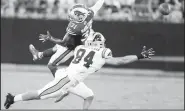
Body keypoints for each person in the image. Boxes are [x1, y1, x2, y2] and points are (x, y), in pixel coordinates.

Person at [4, 32, 155, 110]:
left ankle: (61, 86)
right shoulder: (103, 52)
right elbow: (120, 61)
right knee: (39, 95)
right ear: (100, 43)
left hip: (70, 77)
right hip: (66, 80)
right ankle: (13, 98)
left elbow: (68, 47)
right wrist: (140, 56)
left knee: (89, 96)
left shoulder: (80, 48)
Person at [29, 0, 111, 77]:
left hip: (73, 47)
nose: (71, 16)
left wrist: (50, 38)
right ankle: (38, 55)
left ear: (80, 16)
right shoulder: (88, 14)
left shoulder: (75, 27)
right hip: (85, 41)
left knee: (51, 65)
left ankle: (60, 84)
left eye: (74, 15)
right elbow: (96, 6)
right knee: (56, 48)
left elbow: (64, 42)